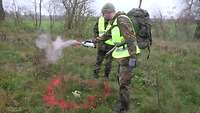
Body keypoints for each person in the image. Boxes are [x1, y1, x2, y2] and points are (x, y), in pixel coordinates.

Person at [96, 3, 141, 113]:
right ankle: (122, 101)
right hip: (123, 56)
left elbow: (130, 38)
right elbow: (109, 34)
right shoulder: (115, 21)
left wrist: (133, 58)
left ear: (108, 12)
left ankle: (123, 107)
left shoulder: (121, 20)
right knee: (120, 80)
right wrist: (96, 40)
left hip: (128, 56)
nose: (103, 16)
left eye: (103, 14)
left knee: (124, 83)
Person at [93, 3, 116, 79]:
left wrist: (100, 38)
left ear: (113, 12)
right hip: (101, 45)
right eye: (105, 13)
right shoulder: (100, 19)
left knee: (108, 63)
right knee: (98, 60)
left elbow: (112, 34)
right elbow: (95, 29)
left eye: (109, 13)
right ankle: (95, 75)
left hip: (111, 46)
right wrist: (95, 37)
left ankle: (106, 77)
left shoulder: (116, 21)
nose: (107, 14)